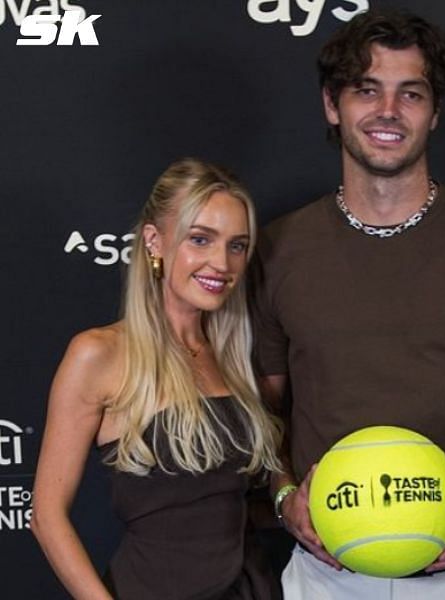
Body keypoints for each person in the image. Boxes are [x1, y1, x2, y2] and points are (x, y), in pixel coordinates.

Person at [248, 8, 445, 599]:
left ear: (435, 112)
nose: (387, 112)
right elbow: (265, 408)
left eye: (410, 94)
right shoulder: (278, 247)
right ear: (331, 105)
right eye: (367, 90)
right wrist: (283, 494)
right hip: (326, 581)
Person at [31, 158, 283, 600]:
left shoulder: (235, 357)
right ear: (154, 241)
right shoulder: (99, 354)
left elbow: (225, 502)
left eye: (237, 245)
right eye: (200, 239)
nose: (221, 263)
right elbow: (46, 515)